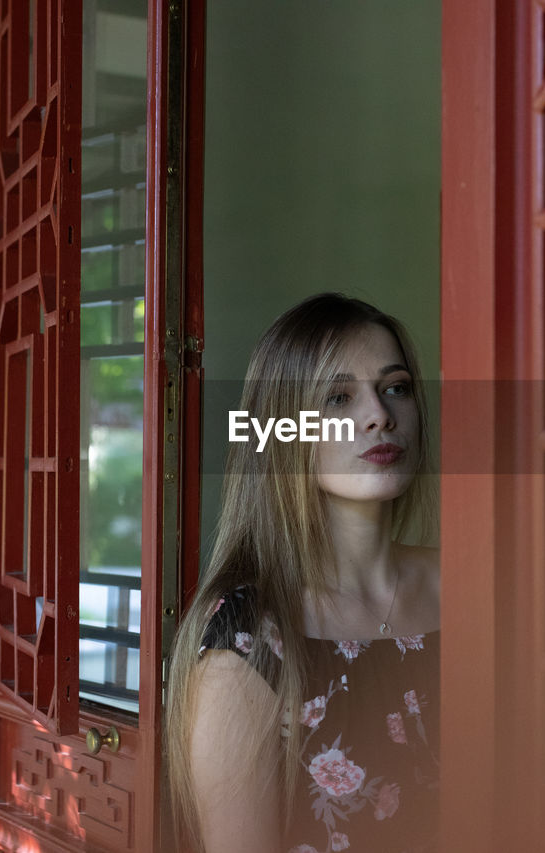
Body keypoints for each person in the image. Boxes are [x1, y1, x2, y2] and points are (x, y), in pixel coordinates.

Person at [166, 293, 440, 853]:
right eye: (338, 397)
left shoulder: (470, 585)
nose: (379, 415)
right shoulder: (247, 638)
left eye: (396, 388)